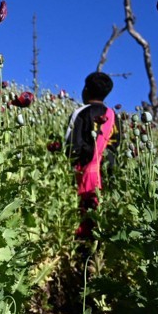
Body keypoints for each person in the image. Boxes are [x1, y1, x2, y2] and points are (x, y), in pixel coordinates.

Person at [64, 72, 119, 240]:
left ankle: (81, 248)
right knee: (98, 215)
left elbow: (72, 144)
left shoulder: (81, 113)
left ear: (86, 90)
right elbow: (115, 145)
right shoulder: (113, 116)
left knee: (81, 215)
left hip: (82, 172)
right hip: (104, 174)